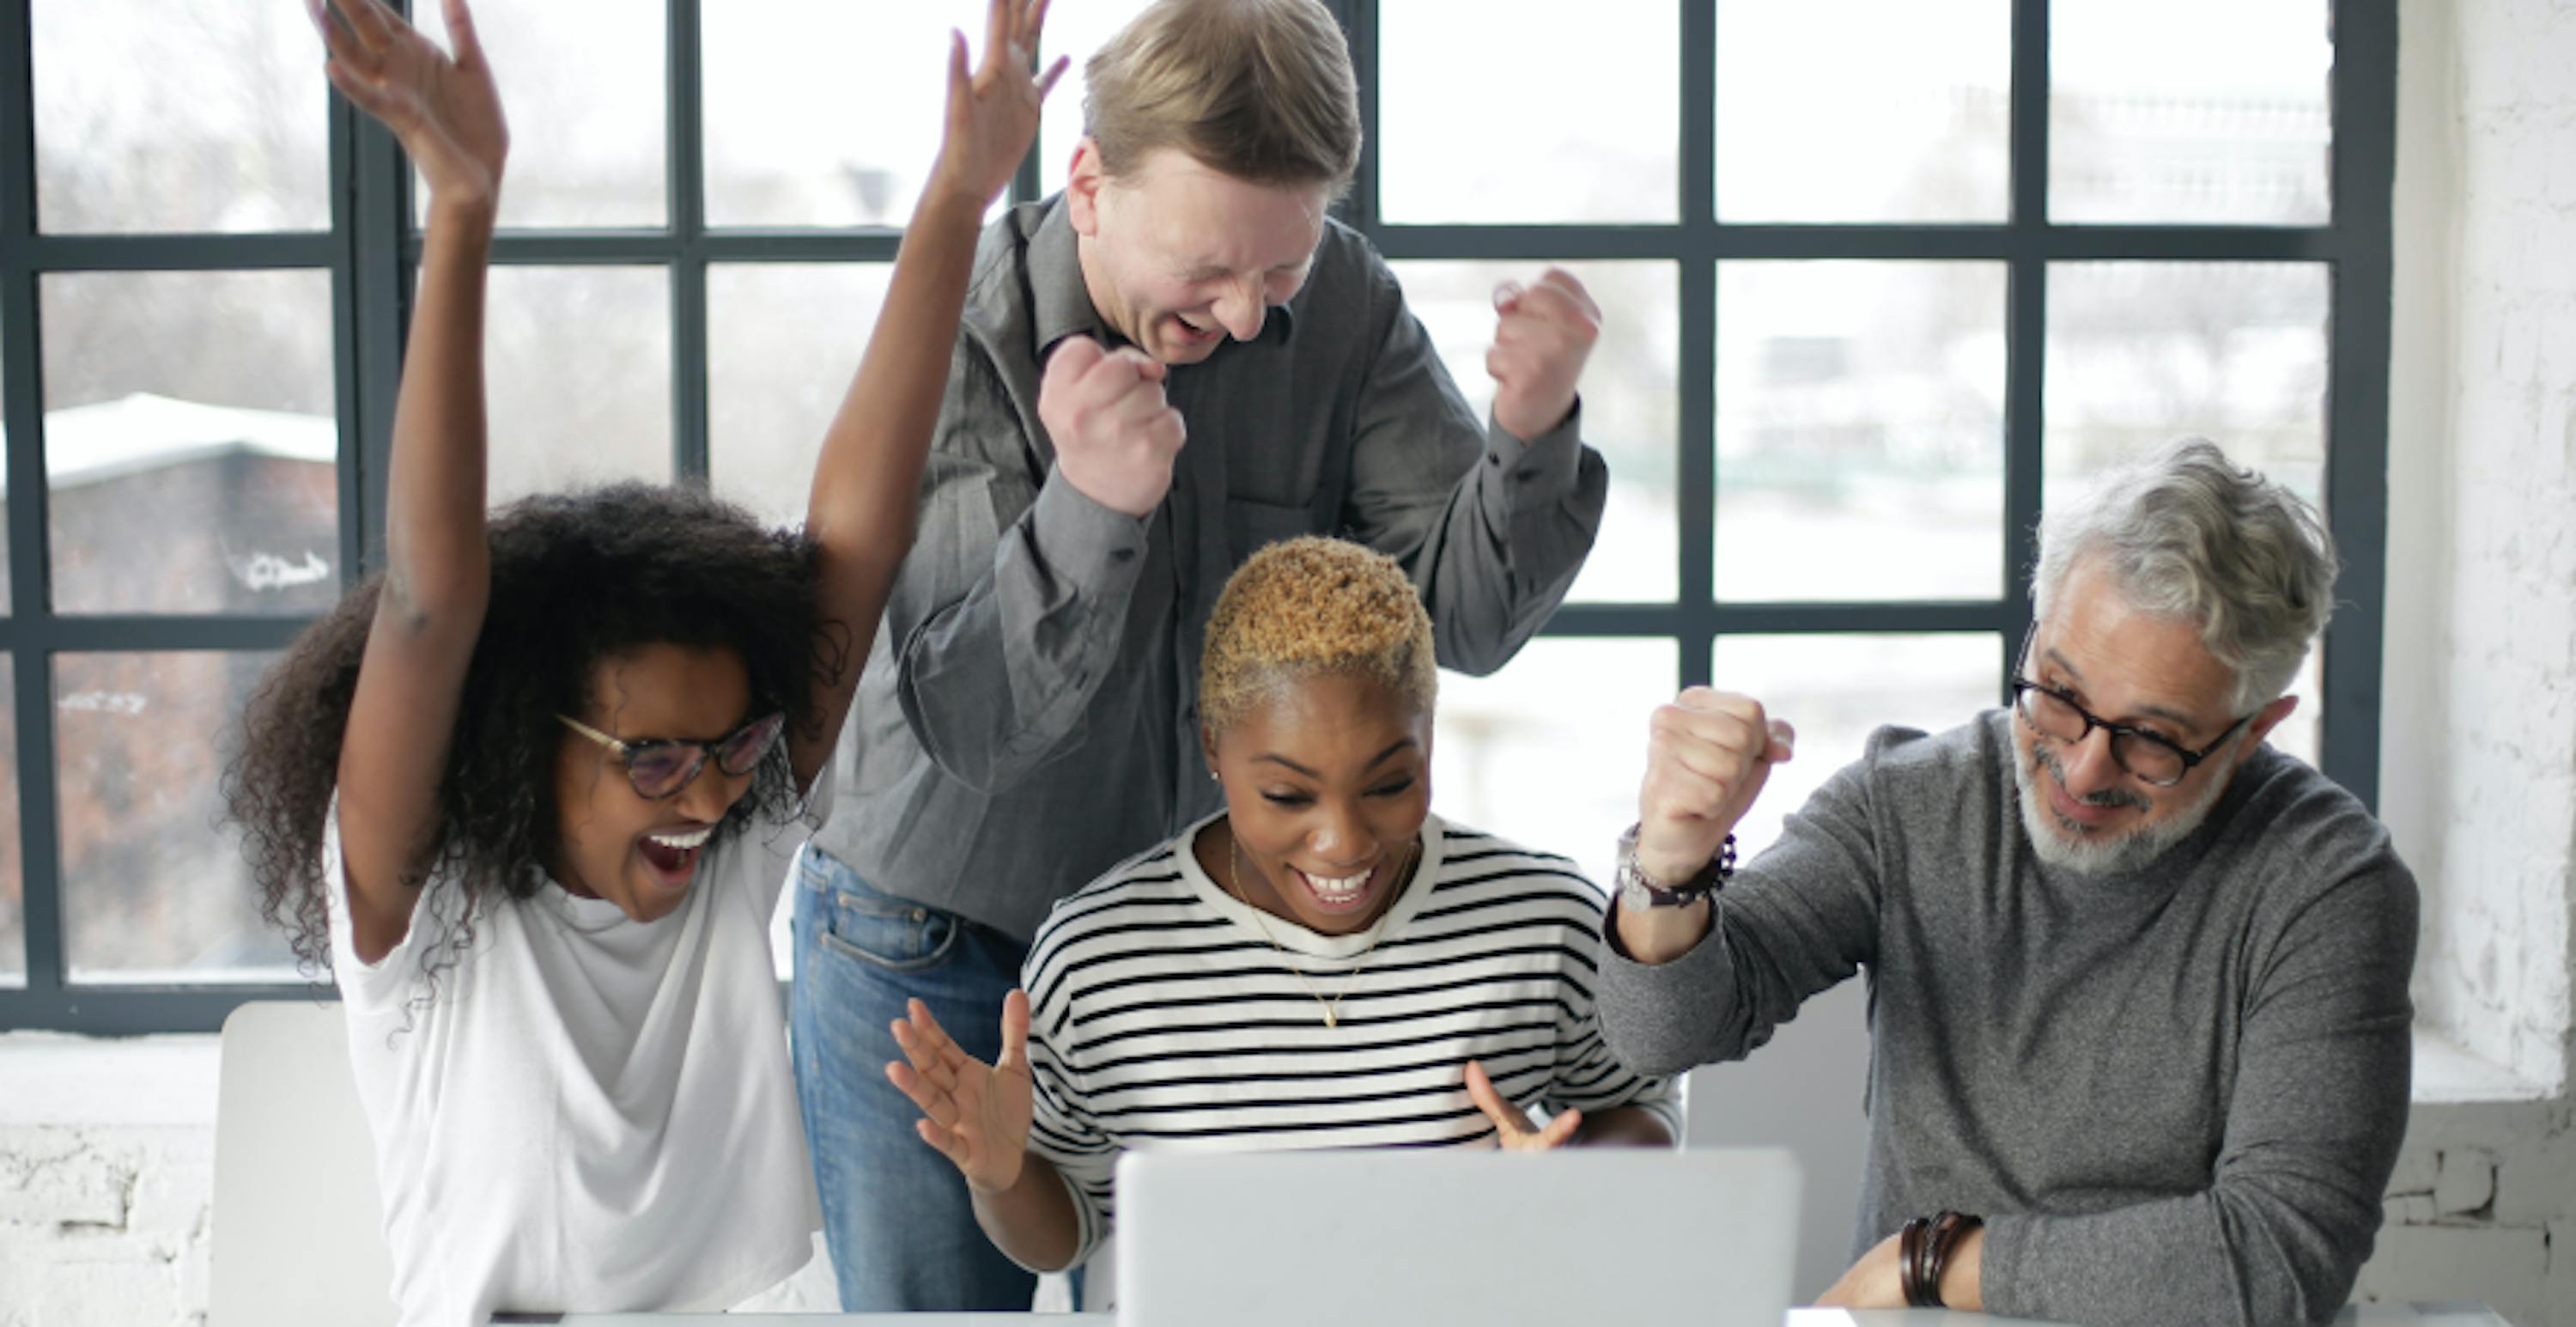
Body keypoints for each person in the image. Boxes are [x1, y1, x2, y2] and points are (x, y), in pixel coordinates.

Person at [222, 2, 1061, 1322]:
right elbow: (435, 601)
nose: (715, 793)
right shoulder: (428, 920)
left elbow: (858, 530)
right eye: (657, 758)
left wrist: (960, 194)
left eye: (733, 747)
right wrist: (460, 208)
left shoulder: (731, 861)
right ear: (528, 741)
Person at [787, 0, 1612, 1311]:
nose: (1240, 319)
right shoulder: (968, 328)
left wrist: (1532, 427)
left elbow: (1464, 619)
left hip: (1182, 954)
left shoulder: (1341, 308)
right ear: (1089, 184)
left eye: (1277, 273)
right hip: (935, 935)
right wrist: (1092, 509)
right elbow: (969, 722)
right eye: (1209, 269)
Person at [1595, 440, 2417, 1326]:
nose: (2082, 767)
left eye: (2152, 738)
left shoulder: (2327, 882)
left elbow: (2281, 1260)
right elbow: (1660, 1033)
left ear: (2256, 728)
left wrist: (1930, 1261)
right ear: (2037, 630)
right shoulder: (1910, 800)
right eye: (2059, 691)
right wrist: (1670, 862)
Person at [883, 536, 1678, 1300]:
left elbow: (1642, 1110)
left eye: (1389, 783)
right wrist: (1003, 1176)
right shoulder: (1100, 957)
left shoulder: (1542, 919)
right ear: (1214, 748)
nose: (1344, 842)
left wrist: (1576, 1184)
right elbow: (1072, 1229)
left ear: (1430, 739)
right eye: (1289, 796)